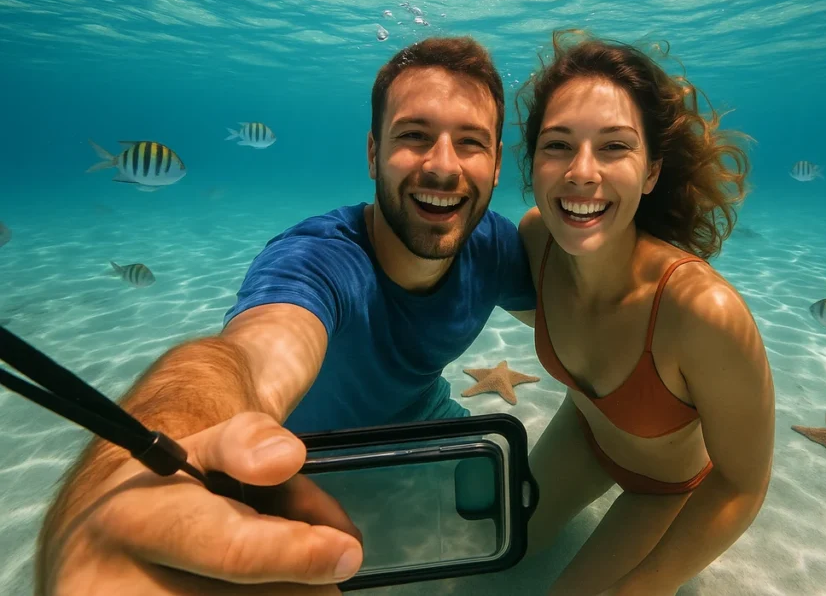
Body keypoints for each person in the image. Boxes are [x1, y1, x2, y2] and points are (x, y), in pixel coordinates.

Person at [34, 36, 536, 595]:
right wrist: (119, 485)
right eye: (413, 136)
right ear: (373, 153)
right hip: (307, 467)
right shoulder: (317, 260)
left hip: (425, 422)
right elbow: (249, 355)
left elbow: (573, 323)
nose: (443, 166)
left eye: (470, 142)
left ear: (496, 168)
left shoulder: (496, 247)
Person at [515, 32, 775, 596]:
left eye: (614, 147)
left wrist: (647, 585)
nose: (582, 173)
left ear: (652, 171)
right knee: (495, 548)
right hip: (581, 436)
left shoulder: (702, 313)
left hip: (667, 487)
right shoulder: (536, 239)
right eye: (557, 145)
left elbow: (743, 484)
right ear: (532, 162)